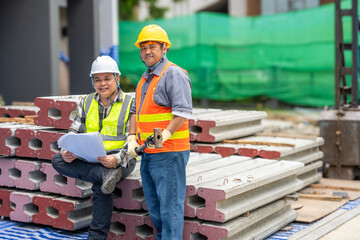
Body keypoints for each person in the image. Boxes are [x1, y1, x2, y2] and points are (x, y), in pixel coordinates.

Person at [51, 55, 136, 240]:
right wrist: (67, 150)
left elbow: (133, 143)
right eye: (97, 79)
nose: (102, 84)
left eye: (107, 78)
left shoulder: (131, 103)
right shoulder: (86, 101)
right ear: (92, 81)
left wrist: (116, 159)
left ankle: (96, 236)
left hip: (121, 159)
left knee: (101, 186)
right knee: (57, 159)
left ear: (117, 79)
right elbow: (74, 130)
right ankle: (103, 175)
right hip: (93, 157)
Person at [127, 24, 192, 240]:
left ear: (164, 48)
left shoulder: (173, 73)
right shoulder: (145, 79)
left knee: (170, 208)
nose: (147, 51)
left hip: (169, 152)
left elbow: (182, 112)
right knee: (154, 208)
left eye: (152, 46)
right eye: (143, 47)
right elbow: (135, 112)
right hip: (148, 152)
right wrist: (130, 138)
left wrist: (164, 135)